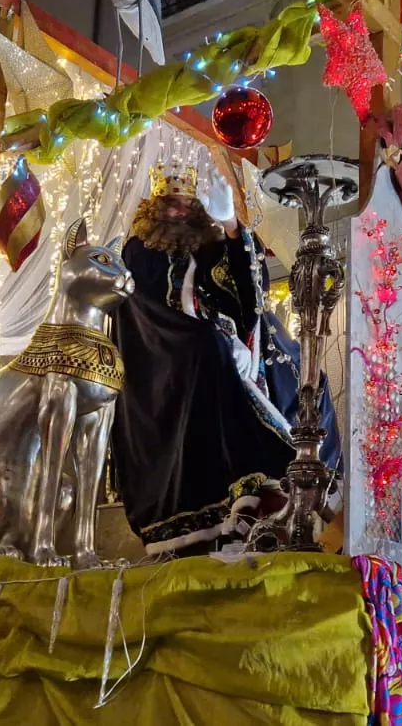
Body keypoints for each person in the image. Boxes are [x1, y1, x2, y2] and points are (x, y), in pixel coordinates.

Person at [110, 163, 342, 554]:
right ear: (156, 210)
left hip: (228, 340)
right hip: (167, 351)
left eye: (187, 205)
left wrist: (233, 227)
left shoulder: (207, 243)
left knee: (305, 371)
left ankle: (308, 473)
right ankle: (245, 481)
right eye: (171, 206)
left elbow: (250, 295)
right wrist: (207, 330)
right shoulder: (139, 249)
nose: (181, 212)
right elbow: (144, 311)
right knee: (208, 346)